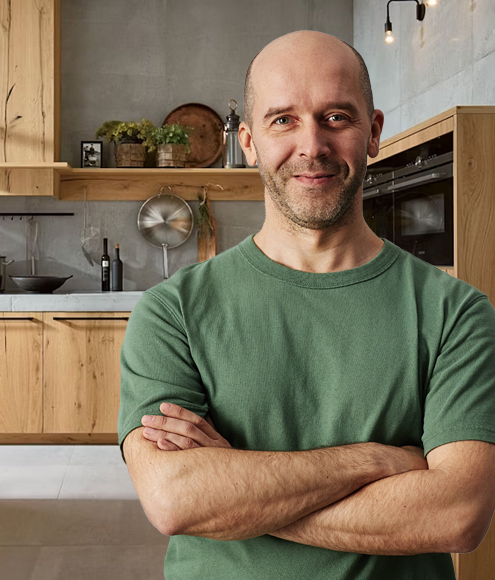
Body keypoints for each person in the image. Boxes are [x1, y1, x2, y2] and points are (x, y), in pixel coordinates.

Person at [118, 30, 495, 579]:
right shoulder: (171, 312)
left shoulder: (456, 313)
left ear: (374, 133)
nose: (311, 145)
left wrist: (236, 491)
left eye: (336, 117)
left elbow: (458, 514)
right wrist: (378, 461)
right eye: (283, 120)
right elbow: (176, 500)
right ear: (249, 142)